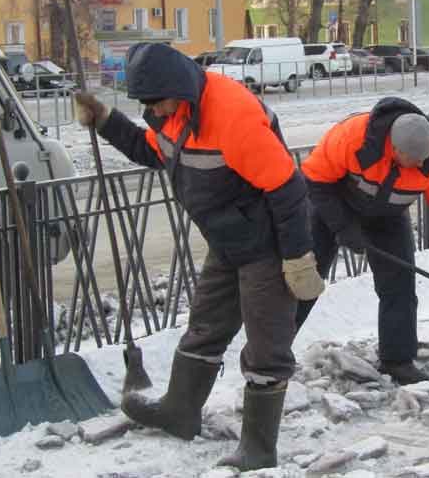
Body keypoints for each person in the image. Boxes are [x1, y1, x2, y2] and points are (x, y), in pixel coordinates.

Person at [74, 42, 324, 472]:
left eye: (157, 102)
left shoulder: (234, 117)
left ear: (181, 89)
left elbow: (288, 190)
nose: (154, 110)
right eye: (146, 104)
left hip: (268, 243)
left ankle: (259, 448)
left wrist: (298, 257)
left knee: (266, 345)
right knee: (205, 325)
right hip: (227, 238)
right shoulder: (171, 111)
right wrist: (105, 121)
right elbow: (154, 152)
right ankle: (179, 411)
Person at [296, 97, 429, 385]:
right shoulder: (352, 137)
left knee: (399, 284)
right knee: (307, 279)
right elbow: (314, 180)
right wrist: (343, 227)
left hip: (388, 215)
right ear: (394, 148)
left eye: (423, 160)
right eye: (413, 161)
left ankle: (397, 360)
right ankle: (271, 354)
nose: (420, 165)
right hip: (331, 205)